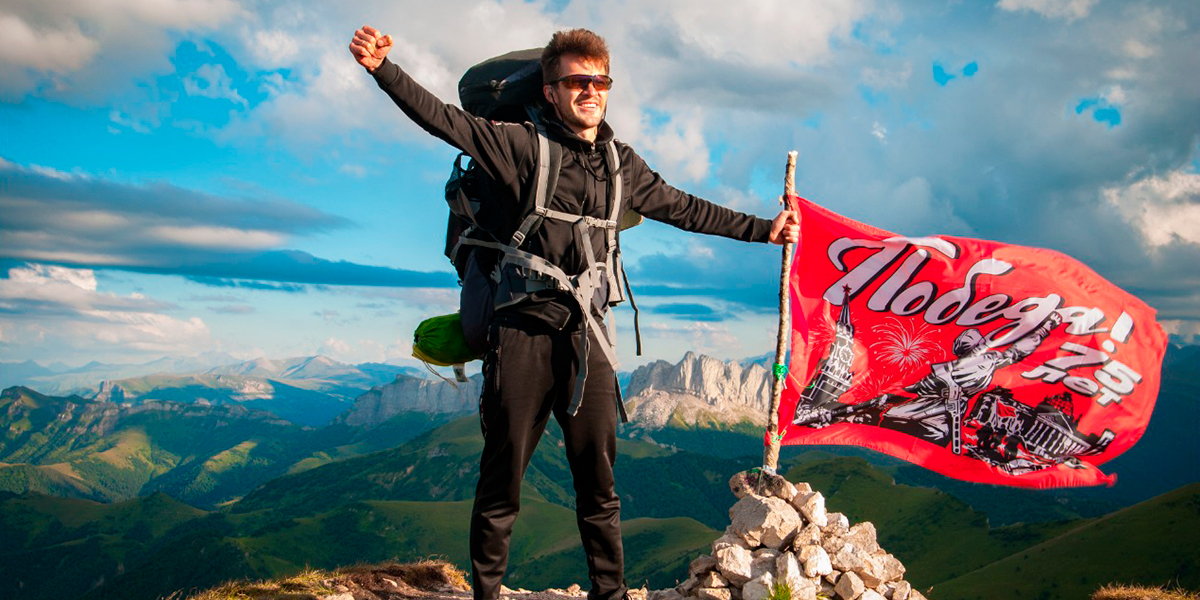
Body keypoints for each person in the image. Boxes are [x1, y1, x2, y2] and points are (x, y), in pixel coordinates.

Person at [348, 25, 799, 600]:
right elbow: (443, 120)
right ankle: (486, 593)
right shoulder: (517, 145)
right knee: (502, 479)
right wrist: (385, 70)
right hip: (521, 334)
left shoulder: (621, 164)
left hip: (589, 338)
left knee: (600, 486)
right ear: (551, 89)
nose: (590, 90)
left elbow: (682, 207)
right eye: (575, 81)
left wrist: (764, 230)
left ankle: (608, 595)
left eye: (599, 80)